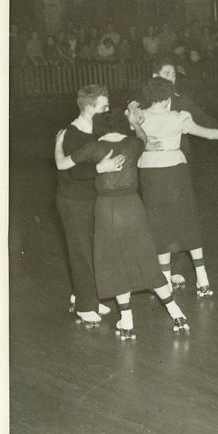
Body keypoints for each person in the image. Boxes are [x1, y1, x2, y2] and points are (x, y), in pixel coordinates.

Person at [54, 109, 190, 339]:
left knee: (115, 263)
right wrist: (135, 124)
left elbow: (61, 164)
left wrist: (59, 142)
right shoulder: (133, 145)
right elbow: (144, 139)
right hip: (133, 207)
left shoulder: (94, 148)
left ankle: (126, 320)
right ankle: (175, 311)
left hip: (107, 209)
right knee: (145, 259)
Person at [135, 77, 218, 297]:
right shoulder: (178, 117)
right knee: (186, 220)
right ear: (169, 96)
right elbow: (209, 133)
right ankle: (203, 279)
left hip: (150, 175)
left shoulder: (138, 118)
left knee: (159, 224)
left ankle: (166, 283)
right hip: (175, 174)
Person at [54, 84, 123, 325]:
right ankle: (84, 305)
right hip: (73, 201)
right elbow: (73, 172)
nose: (107, 111)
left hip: (90, 198)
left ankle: (88, 296)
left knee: (93, 249)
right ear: (88, 108)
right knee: (81, 250)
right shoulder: (72, 134)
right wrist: (100, 168)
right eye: (103, 107)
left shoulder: (95, 130)